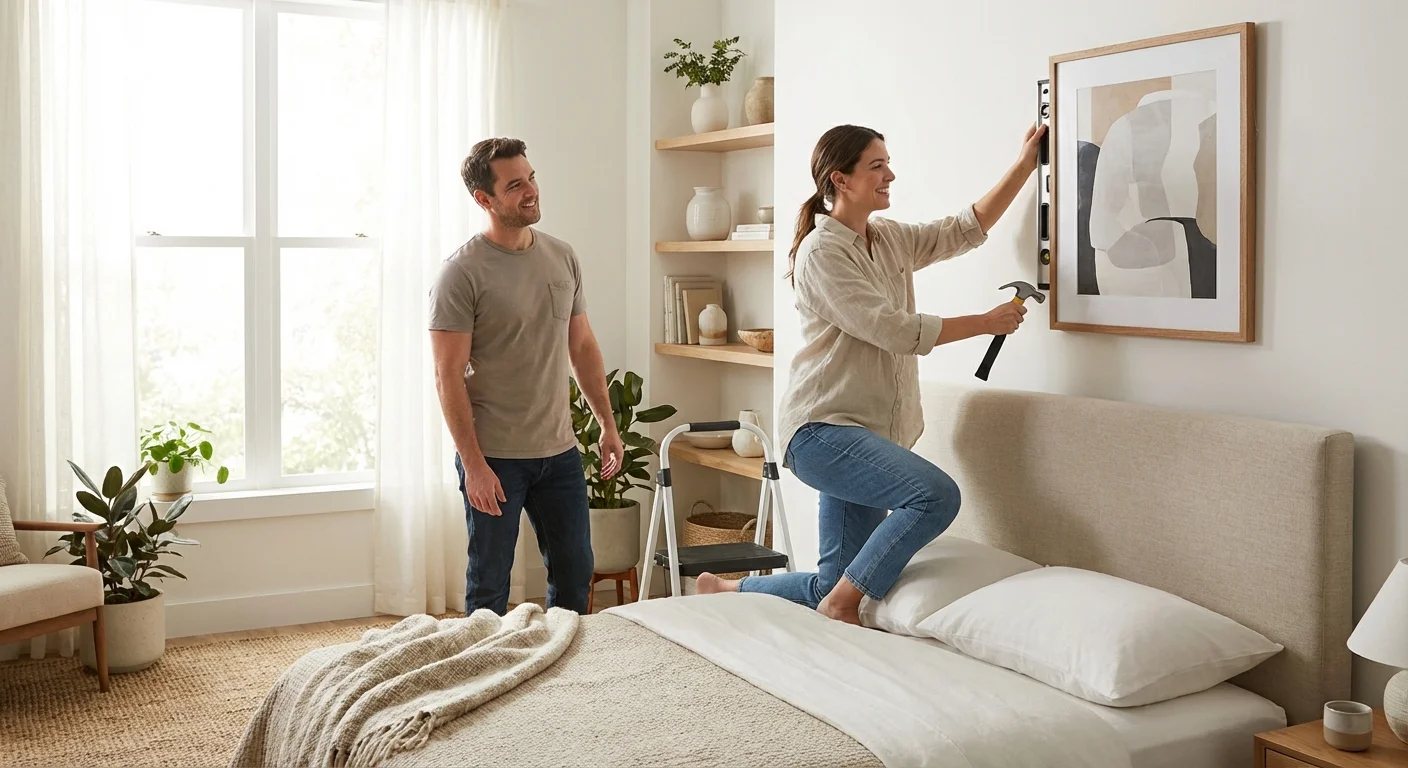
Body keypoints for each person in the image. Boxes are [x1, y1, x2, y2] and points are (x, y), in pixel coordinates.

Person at [696, 122, 1046, 625]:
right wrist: (984, 323)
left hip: (866, 434)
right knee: (935, 495)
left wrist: (1024, 165)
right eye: (876, 165)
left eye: (887, 163)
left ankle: (728, 590)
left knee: (834, 573)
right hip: (822, 432)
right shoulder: (822, 253)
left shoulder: (889, 239)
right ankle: (843, 604)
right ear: (840, 179)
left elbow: (964, 229)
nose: (890, 174)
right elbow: (892, 329)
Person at [427, 137, 623, 616]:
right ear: (484, 199)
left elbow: (582, 347)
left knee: (576, 578)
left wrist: (607, 424)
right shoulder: (461, 273)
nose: (531, 190)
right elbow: (446, 375)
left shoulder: (562, 256)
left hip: (558, 452)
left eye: (531, 177)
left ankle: (563, 680)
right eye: (515, 185)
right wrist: (473, 465)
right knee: (489, 586)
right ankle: (483, 680)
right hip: (495, 457)